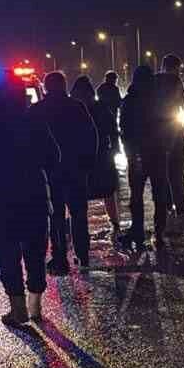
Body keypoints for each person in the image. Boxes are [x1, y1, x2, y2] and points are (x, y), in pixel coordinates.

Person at [0, 74, 60, 326]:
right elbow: (53, 156)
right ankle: (35, 305)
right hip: (34, 196)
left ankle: (17, 308)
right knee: (35, 252)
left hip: (1, 198)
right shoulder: (34, 122)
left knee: (7, 254)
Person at [41, 70, 98, 272]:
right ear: (64, 86)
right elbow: (91, 135)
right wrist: (88, 162)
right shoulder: (77, 107)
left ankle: (59, 257)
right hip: (76, 169)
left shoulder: (40, 109)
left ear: (46, 87)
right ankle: (82, 254)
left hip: (50, 172)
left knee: (55, 216)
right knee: (79, 214)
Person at [119, 63, 168, 252]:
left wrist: (130, 152)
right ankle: (159, 232)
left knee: (137, 196)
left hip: (137, 155)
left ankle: (138, 230)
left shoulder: (129, 100)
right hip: (157, 154)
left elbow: (124, 129)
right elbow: (169, 125)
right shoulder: (159, 99)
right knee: (159, 195)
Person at [70, 74, 123, 246]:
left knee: (84, 193)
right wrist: (115, 148)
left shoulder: (75, 110)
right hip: (100, 156)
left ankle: (80, 228)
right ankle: (114, 223)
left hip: (84, 157)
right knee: (107, 191)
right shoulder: (100, 108)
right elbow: (113, 130)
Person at [155, 53, 184, 220]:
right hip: (174, 132)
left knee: (162, 171)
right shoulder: (176, 82)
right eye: (178, 68)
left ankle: (167, 204)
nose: (179, 71)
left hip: (156, 134)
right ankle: (182, 206)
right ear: (174, 68)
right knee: (177, 172)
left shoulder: (153, 81)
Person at [96, 70, 122, 151]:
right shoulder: (114, 89)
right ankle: (115, 148)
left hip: (102, 114)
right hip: (112, 113)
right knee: (113, 131)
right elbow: (118, 102)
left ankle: (105, 148)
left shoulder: (101, 88)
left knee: (104, 132)